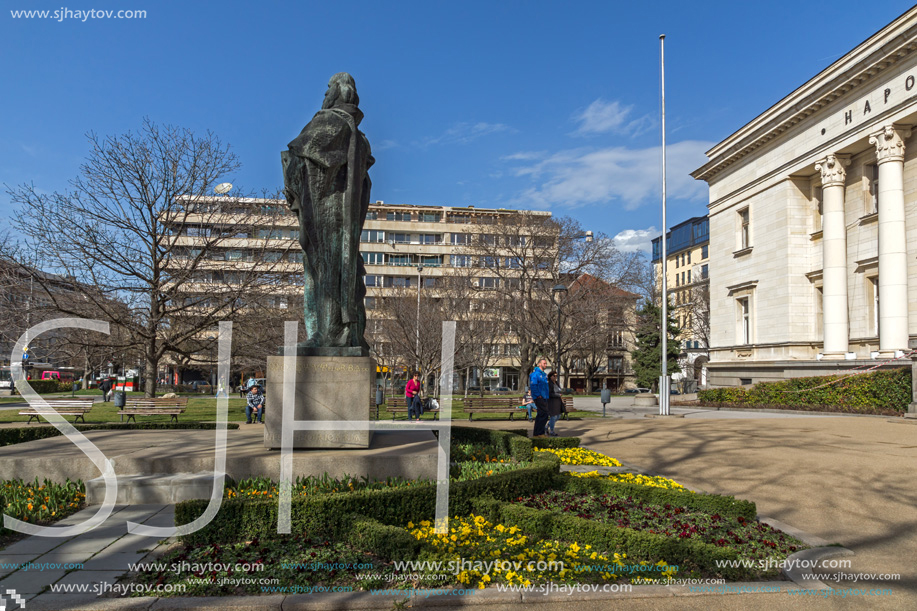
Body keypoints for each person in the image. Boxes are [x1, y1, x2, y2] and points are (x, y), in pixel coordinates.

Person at [529, 358, 550, 437]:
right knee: (544, 414)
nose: (546, 365)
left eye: (546, 363)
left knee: (541, 414)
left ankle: (537, 433)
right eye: (544, 363)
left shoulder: (544, 374)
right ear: (539, 364)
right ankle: (539, 432)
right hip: (539, 397)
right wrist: (538, 396)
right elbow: (533, 386)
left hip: (544, 397)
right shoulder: (535, 374)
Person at [547, 371, 563, 437]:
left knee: (558, 415)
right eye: (554, 376)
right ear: (550, 377)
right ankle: (552, 431)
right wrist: (558, 395)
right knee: (553, 417)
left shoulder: (556, 383)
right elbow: (549, 394)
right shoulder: (549, 384)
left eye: (556, 376)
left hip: (558, 402)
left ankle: (546, 426)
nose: (555, 377)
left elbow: (559, 390)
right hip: (552, 402)